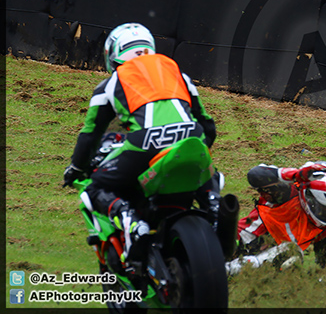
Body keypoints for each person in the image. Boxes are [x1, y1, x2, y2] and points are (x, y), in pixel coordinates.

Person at [62, 22, 220, 263]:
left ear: (113, 54)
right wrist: (198, 148)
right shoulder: (178, 73)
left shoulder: (110, 84)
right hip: (191, 137)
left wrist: (76, 168)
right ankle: (214, 206)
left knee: (95, 188)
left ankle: (131, 222)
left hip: (145, 143)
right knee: (208, 172)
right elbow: (208, 126)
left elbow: (90, 134)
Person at [231, 160, 326, 270]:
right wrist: (295, 175)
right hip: (236, 244)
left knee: (291, 256)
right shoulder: (286, 192)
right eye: (323, 207)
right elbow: (255, 174)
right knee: (291, 252)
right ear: (308, 195)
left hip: (262, 259)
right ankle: (227, 271)